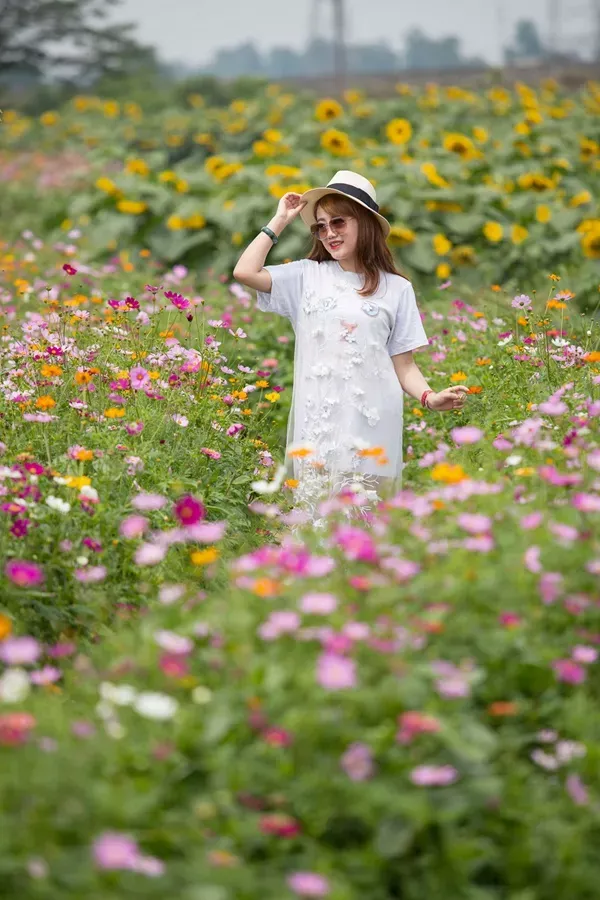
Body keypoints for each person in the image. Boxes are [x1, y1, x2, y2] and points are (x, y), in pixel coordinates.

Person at [233, 169, 468, 530]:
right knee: (316, 529)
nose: (329, 233)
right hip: (319, 427)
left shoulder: (397, 289)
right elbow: (245, 272)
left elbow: (404, 365)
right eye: (320, 226)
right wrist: (279, 220)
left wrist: (429, 397)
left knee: (365, 532)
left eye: (338, 222)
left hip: (372, 426)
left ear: (366, 223)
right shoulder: (306, 276)